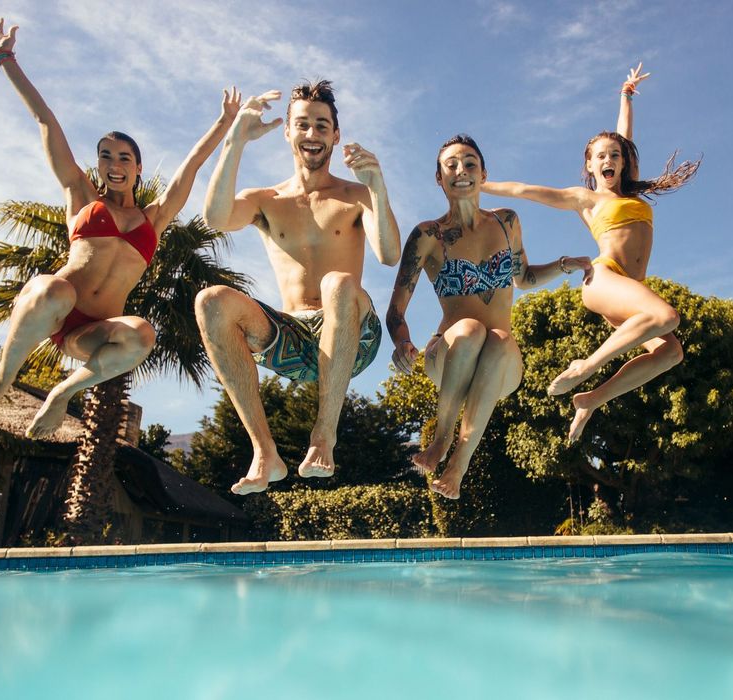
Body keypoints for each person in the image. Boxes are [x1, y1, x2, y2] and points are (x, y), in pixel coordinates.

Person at [0, 18, 244, 438]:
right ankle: (2, 378)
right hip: (55, 310)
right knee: (53, 287)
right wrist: (5, 59)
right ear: (98, 166)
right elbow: (45, 121)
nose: (114, 164)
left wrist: (225, 122)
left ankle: (62, 395)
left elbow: (192, 167)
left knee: (143, 334)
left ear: (138, 168)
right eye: (106, 156)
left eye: (124, 157)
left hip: (91, 334)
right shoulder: (82, 197)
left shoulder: (154, 218)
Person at [196, 80, 401, 495]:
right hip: (292, 343)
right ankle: (264, 452)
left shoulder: (355, 195)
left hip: (353, 335)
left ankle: (325, 434)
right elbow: (216, 217)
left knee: (338, 282)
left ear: (336, 135)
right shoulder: (267, 199)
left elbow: (389, 254)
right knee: (210, 301)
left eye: (322, 126)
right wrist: (236, 139)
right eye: (303, 125)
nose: (312, 135)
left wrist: (377, 187)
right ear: (287, 131)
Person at [482, 64, 698, 443]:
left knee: (670, 354)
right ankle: (586, 365)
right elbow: (524, 189)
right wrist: (480, 185)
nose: (608, 160)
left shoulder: (629, 192)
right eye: (600, 156)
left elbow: (625, 136)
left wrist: (626, 96)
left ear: (624, 160)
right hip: (605, 277)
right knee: (666, 315)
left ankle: (592, 399)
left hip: (629, 288)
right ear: (589, 164)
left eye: (614, 155)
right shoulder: (584, 198)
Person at [387, 135, 591, 499]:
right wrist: (402, 342)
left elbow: (524, 277)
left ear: (483, 174)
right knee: (469, 329)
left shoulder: (507, 222)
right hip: (448, 355)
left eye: (469, 163)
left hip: (501, 363)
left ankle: (459, 463)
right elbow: (396, 310)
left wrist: (564, 265)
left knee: (496, 337)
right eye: (451, 164)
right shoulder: (428, 235)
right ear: (439, 178)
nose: (461, 170)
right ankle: (441, 439)